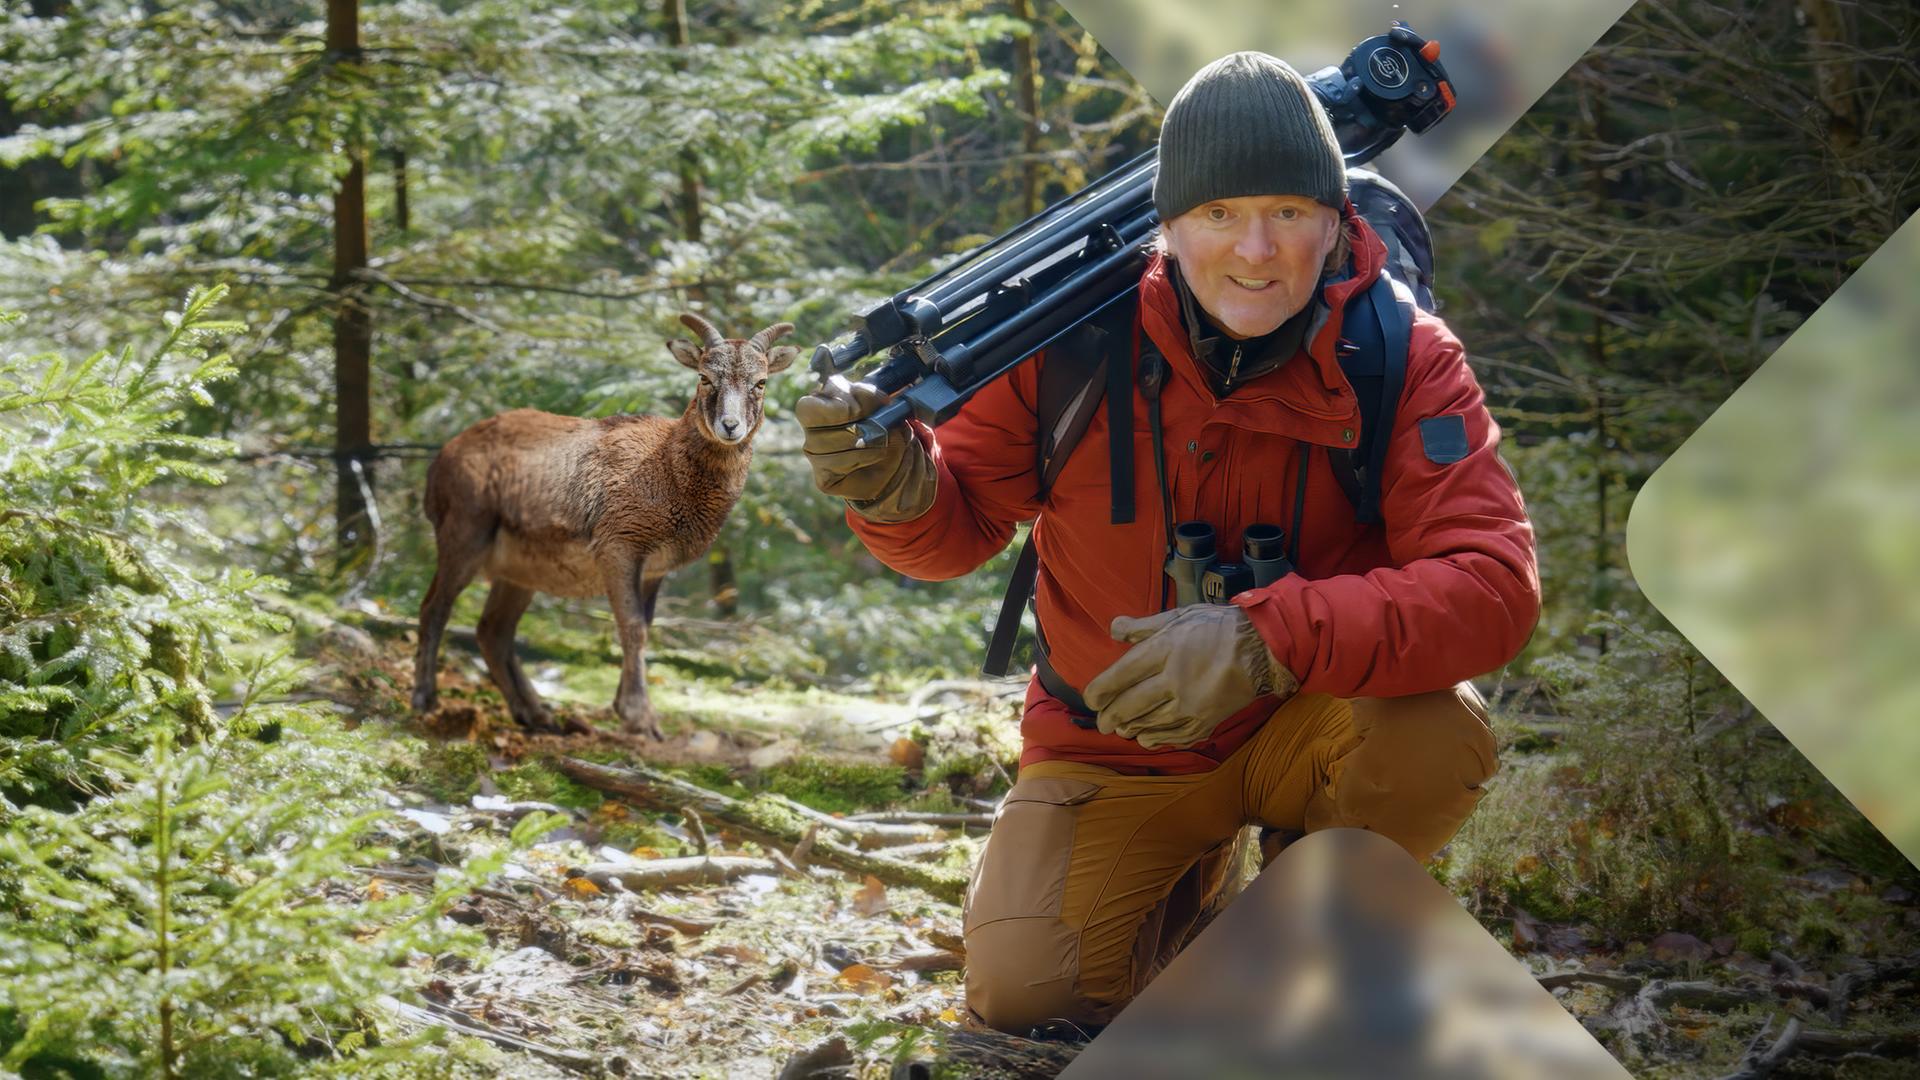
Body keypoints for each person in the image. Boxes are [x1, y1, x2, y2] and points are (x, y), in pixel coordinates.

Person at [796, 51, 1539, 1035]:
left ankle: (1304, 930)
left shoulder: (1400, 356)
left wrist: (1267, 637)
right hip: (1114, 743)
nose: (1257, 250)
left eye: (1288, 212)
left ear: (1337, 218)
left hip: (1303, 726)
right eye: (1219, 215)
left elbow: (1493, 588)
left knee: (1435, 738)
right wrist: (894, 490)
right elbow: (953, 533)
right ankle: (1183, 899)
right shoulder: (1073, 340)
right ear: (1172, 226)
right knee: (1026, 996)